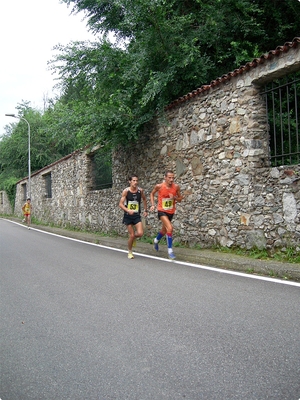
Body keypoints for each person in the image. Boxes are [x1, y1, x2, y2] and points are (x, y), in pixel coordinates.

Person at [150, 170, 183, 260]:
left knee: (164, 230)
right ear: (165, 178)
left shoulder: (176, 187)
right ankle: (170, 251)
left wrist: (175, 197)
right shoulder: (159, 186)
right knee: (170, 228)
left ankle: (156, 240)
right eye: (169, 177)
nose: (171, 179)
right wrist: (153, 205)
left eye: (173, 177)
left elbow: (180, 199)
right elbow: (152, 194)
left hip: (171, 212)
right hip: (161, 211)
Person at [119, 174, 148, 259]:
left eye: (136, 181)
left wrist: (145, 210)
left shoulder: (140, 191)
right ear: (130, 181)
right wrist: (127, 210)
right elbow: (120, 204)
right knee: (131, 235)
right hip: (128, 216)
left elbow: (144, 199)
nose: (135, 182)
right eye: (134, 181)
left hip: (136, 215)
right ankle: (130, 252)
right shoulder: (126, 191)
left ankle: (133, 238)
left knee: (140, 233)